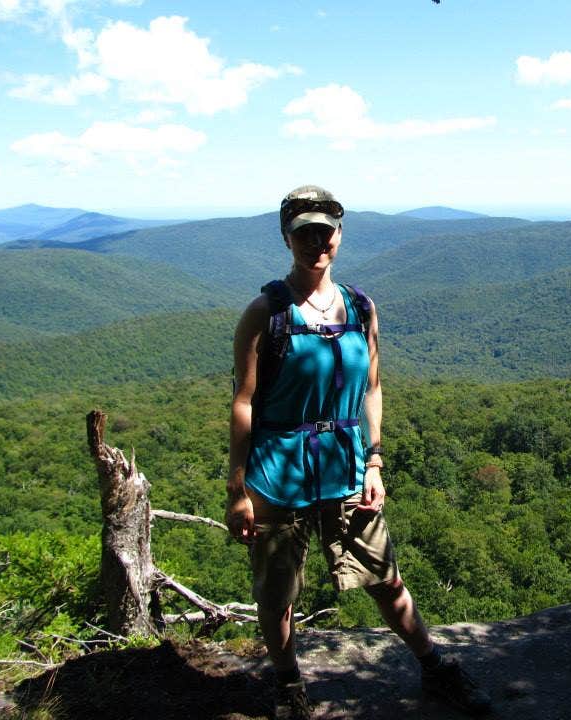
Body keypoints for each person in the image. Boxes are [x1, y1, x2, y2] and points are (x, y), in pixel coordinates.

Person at [226, 185, 491, 719]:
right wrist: (237, 491)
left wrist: (374, 461)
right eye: (304, 232)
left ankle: (434, 667)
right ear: (286, 238)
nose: (316, 242)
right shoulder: (266, 312)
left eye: (325, 231)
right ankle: (289, 687)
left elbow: (371, 388)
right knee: (278, 593)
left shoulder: (360, 308)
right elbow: (244, 403)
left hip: (346, 465)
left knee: (385, 577)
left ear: (340, 236)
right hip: (278, 473)